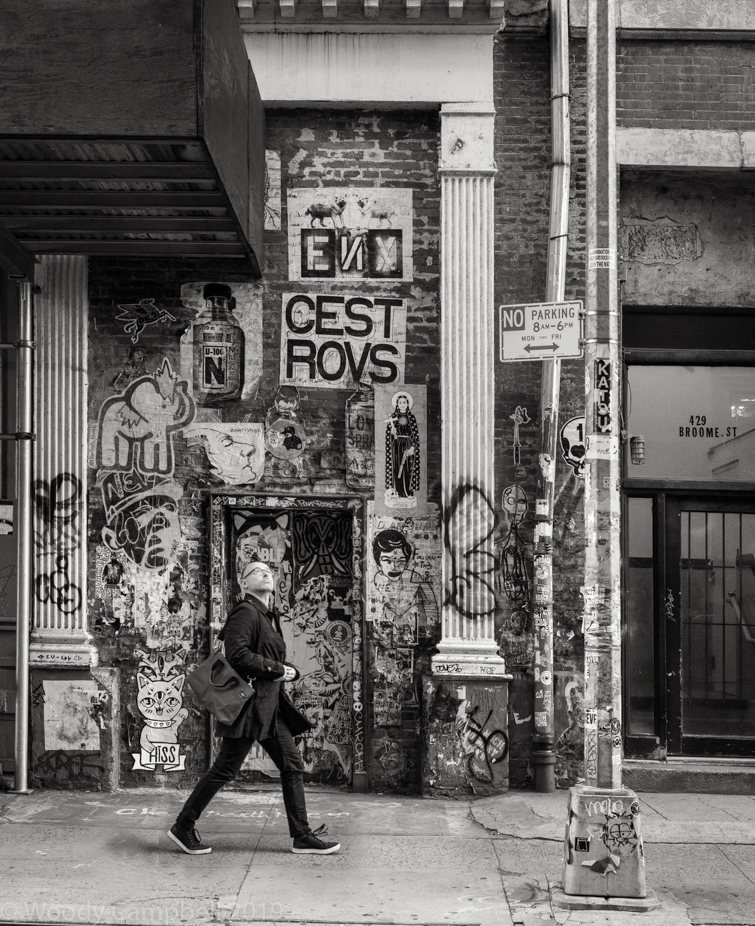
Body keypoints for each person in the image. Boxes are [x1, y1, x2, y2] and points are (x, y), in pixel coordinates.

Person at [168, 559, 340, 856]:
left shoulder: (266, 615)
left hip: (269, 707)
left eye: (269, 572)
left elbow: (262, 656)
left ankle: (302, 836)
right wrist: (278, 670)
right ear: (244, 583)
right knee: (225, 769)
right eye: (257, 572)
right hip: (249, 707)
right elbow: (238, 656)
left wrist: (287, 670)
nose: (266, 574)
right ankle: (183, 826)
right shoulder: (245, 612)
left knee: (292, 766)